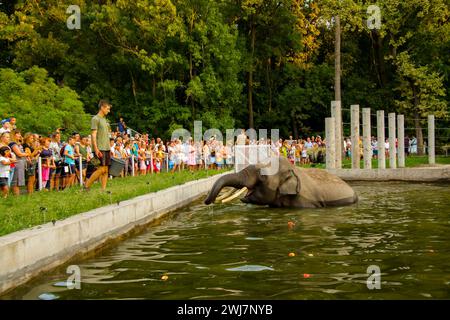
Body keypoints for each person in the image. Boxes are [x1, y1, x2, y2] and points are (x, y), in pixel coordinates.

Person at [84, 100, 112, 191]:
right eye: (107, 108)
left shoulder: (104, 120)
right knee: (101, 170)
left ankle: (103, 190)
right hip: (99, 148)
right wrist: (96, 149)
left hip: (106, 148)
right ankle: (86, 186)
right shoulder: (95, 119)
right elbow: (93, 135)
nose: (109, 110)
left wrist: (109, 148)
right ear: (102, 107)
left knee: (106, 170)